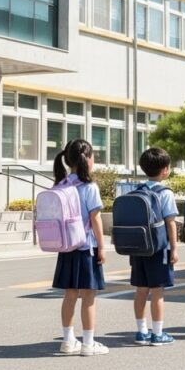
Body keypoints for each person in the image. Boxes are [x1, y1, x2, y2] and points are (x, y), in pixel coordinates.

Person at [51, 139, 108, 357]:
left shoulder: (61, 185)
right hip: (87, 247)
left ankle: (67, 341)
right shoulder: (89, 187)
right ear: (88, 158)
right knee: (89, 296)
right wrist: (102, 247)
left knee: (70, 294)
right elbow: (96, 219)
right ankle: (88, 343)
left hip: (65, 247)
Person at [130, 147, 179, 346]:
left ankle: (141, 331)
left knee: (141, 290)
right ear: (165, 170)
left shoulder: (136, 192)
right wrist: (174, 249)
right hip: (159, 249)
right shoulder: (165, 193)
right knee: (157, 291)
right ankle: (158, 334)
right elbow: (171, 223)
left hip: (138, 248)